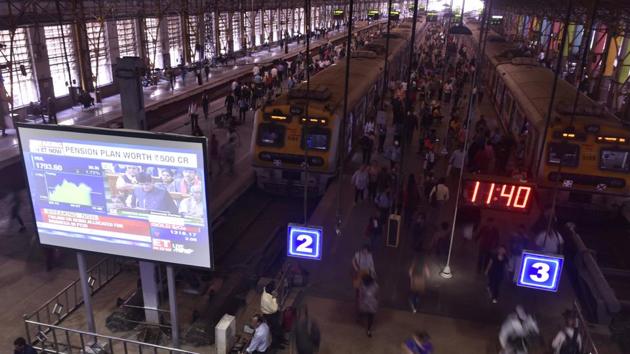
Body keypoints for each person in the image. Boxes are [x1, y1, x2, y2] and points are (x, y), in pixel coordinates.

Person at [260, 281, 285, 348]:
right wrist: (274, 298)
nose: (275, 291)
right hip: (270, 315)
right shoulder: (266, 299)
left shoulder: (267, 292)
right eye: (274, 290)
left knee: (278, 327)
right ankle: (276, 344)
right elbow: (274, 309)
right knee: (275, 329)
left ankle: (281, 339)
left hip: (272, 312)